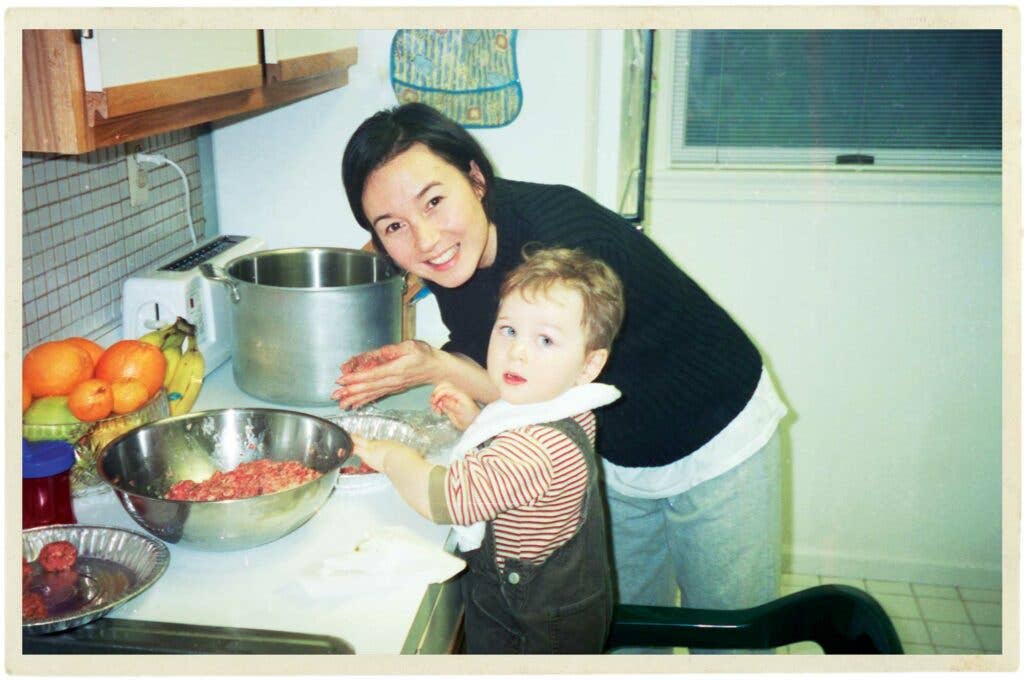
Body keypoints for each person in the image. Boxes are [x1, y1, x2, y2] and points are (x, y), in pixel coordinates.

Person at [334, 102, 788, 652]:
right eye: (396, 227)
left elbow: (546, 384)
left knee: (731, 644)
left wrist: (436, 365)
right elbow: (491, 351)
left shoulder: (561, 247)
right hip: (617, 453)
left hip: (715, 430)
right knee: (627, 639)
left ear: (476, 178)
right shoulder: (457, 258)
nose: (426, 240)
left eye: (435, 201)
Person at [350, 247, 625, 654]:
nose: (518, 351)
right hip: (558, 601)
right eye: (509, 330)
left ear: (588, 366)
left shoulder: (537, 449)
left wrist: (390, 457)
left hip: (532, 630)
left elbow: (443, 499)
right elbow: (513, 457)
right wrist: (476, 421)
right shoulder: (558, 403)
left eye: (545, 339)